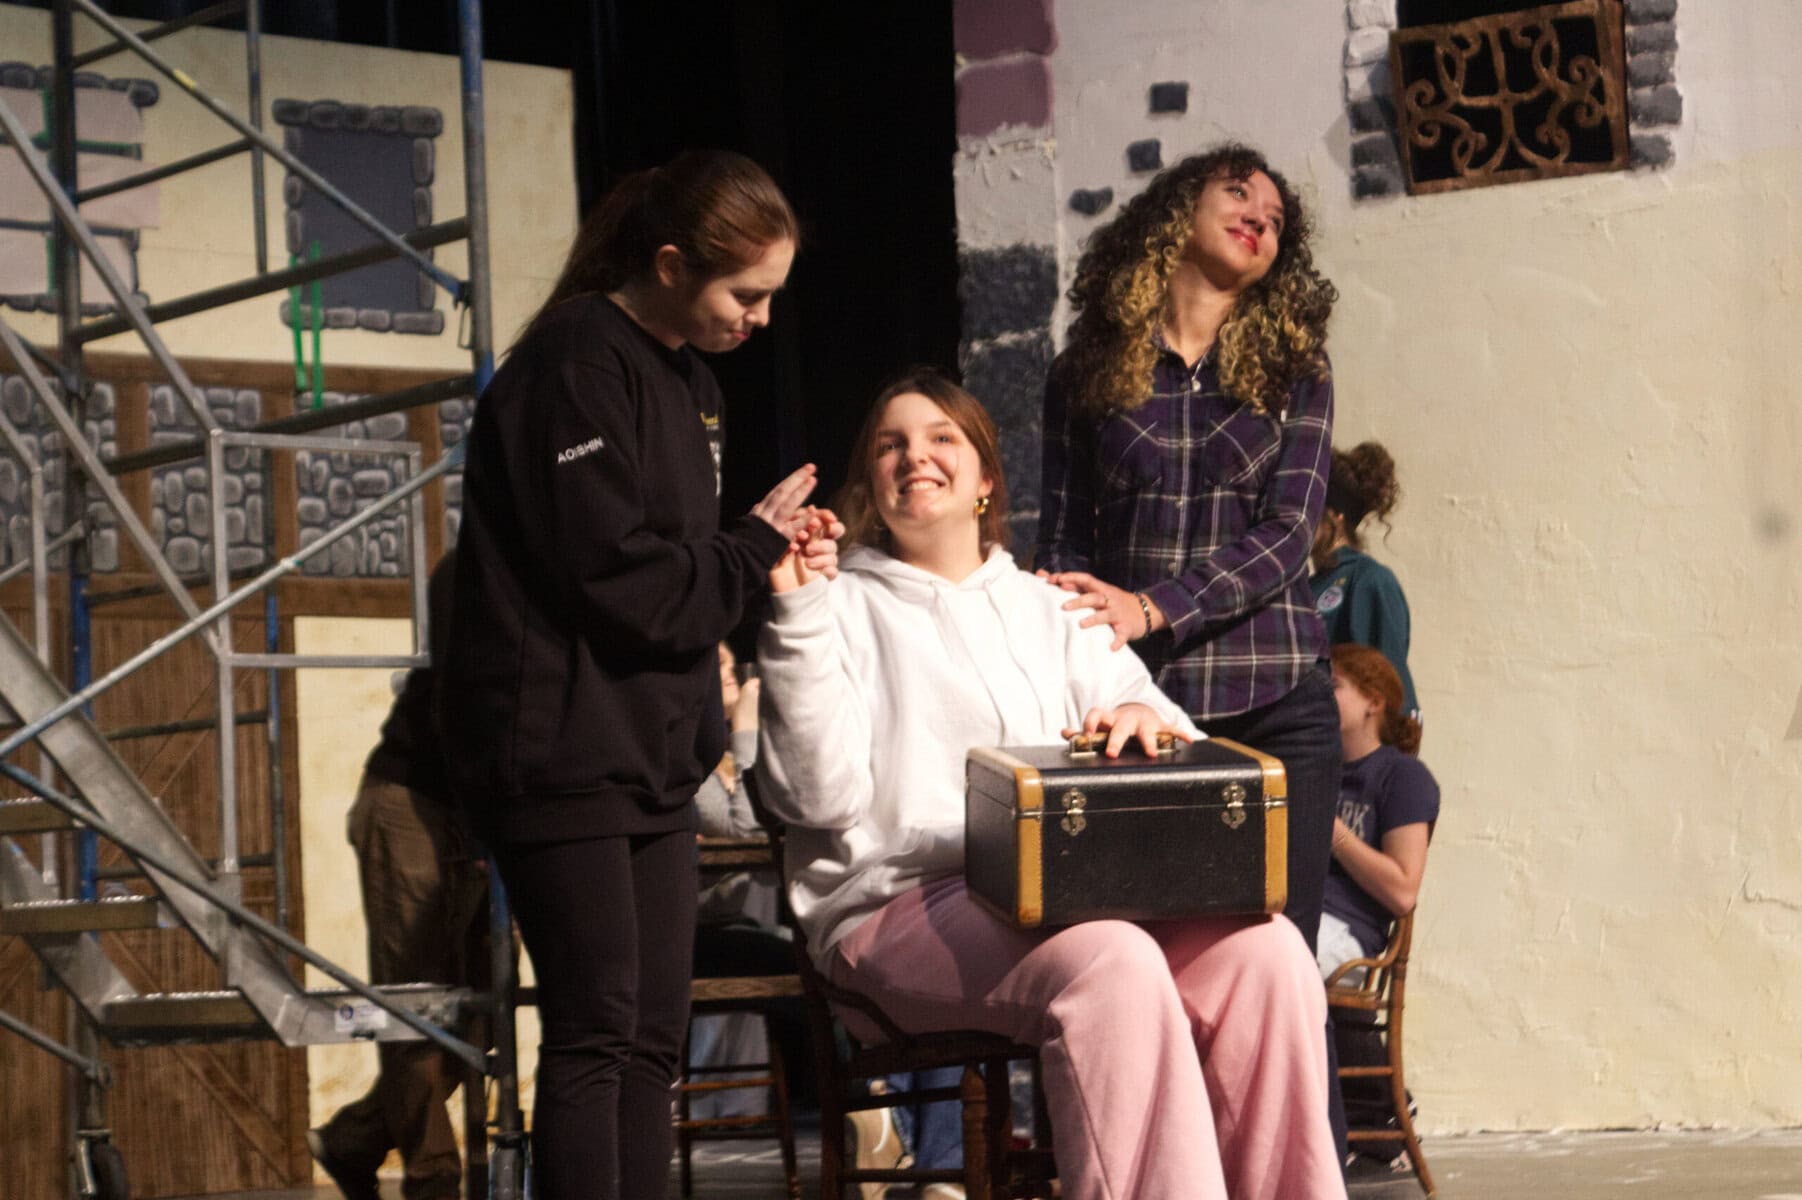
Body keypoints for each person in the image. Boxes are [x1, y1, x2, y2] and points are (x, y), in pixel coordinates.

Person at [757, 370, 1345, 1200]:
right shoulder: (835, 606)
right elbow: (813, 801)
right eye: (890, 445)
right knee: (1113, 963)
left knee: (1271, 954)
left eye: (940, 439)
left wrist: (1147, 724)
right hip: (896, 907)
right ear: (868, 483)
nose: (913, 456)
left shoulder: (1048, 608)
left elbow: (1166, 724)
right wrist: (798, 616)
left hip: (1071, 899)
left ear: (986, 478)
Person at [437, 149, 841, 1200]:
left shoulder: (692, 382)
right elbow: (617, 577)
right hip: (561, 751)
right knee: (598, 1029)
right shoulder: (576, 361)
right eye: (743, 292)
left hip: (651, 755)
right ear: (668, 263)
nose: (758, 318)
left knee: (653, 1036)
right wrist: (748, 549)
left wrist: (765, 558)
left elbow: (682, 580)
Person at [1035, 142, 1342, 958]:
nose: (1259, 219)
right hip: (1143, 713)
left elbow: (1287, 536)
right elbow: (1063, 542)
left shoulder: (1296, 371)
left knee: (1278, 974)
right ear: (1176, 215)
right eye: (1240, 196)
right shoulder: (1084, 372)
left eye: (1276, 221)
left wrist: (1153, 607)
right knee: (1149, 972)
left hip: (1277, 703)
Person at [309, 552, 488, 1200]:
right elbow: (462, 703)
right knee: (417, 1001)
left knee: (481, 1016)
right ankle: (433, 1179)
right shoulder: (473, 569)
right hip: (415, 798)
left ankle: (355, 1138)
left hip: (480, 812)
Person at [1318, 644, 1438, 982]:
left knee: (1271, 963)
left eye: (1334, 685)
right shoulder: (1309, 769)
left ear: (1374, 701)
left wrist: (1332, 831)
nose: (1320, 696)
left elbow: (1402, 893)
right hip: (1283, 919)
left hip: (1344, 934)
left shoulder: (1403, 776)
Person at [1309, 442, 1418, 721]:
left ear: (1335, 515)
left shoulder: (1368, 581)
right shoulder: (1305, 586)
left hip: (1350, 756)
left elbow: (1392, 691)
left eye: (1310, 509)